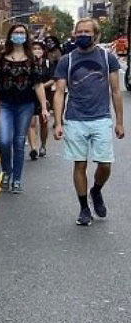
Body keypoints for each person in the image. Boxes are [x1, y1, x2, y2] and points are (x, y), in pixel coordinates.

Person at [53, 18, 125, 226]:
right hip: (75, 119)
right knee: (80, 164)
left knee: (105, 164)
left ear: (96, 35)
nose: (82, 35)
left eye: (87, 31)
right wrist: (58, 122)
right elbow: (59, 93)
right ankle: (84, 208)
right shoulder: (67, 60)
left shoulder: (106, 57)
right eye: (79, 32)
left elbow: (115, 91)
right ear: (74, 35)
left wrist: (119, 122)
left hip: (101, 118)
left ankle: (96, 190)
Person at [0, 24, 50, 193]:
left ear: (26, 37)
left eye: (21, 33)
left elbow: (38, 84)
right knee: (4, 141)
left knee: (19, 142)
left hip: (25, 104)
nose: (18, 35)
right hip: (5, 104)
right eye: (16, 32)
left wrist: (44, 107)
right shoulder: (2, 58)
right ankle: (6, 171)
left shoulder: (32, 59)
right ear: (10, 35)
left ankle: (17, 179)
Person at [27, 41, 54, 159]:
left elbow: (54, 79)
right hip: (31, 96)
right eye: (34, 48)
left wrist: (42, 86)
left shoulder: (48, 63)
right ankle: (33, 148)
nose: (36, 50)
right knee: (31, 122)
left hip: (45, 97)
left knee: (44, 122)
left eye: (39, 48)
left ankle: (43, 145)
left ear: (43, 51)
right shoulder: (27, 64)